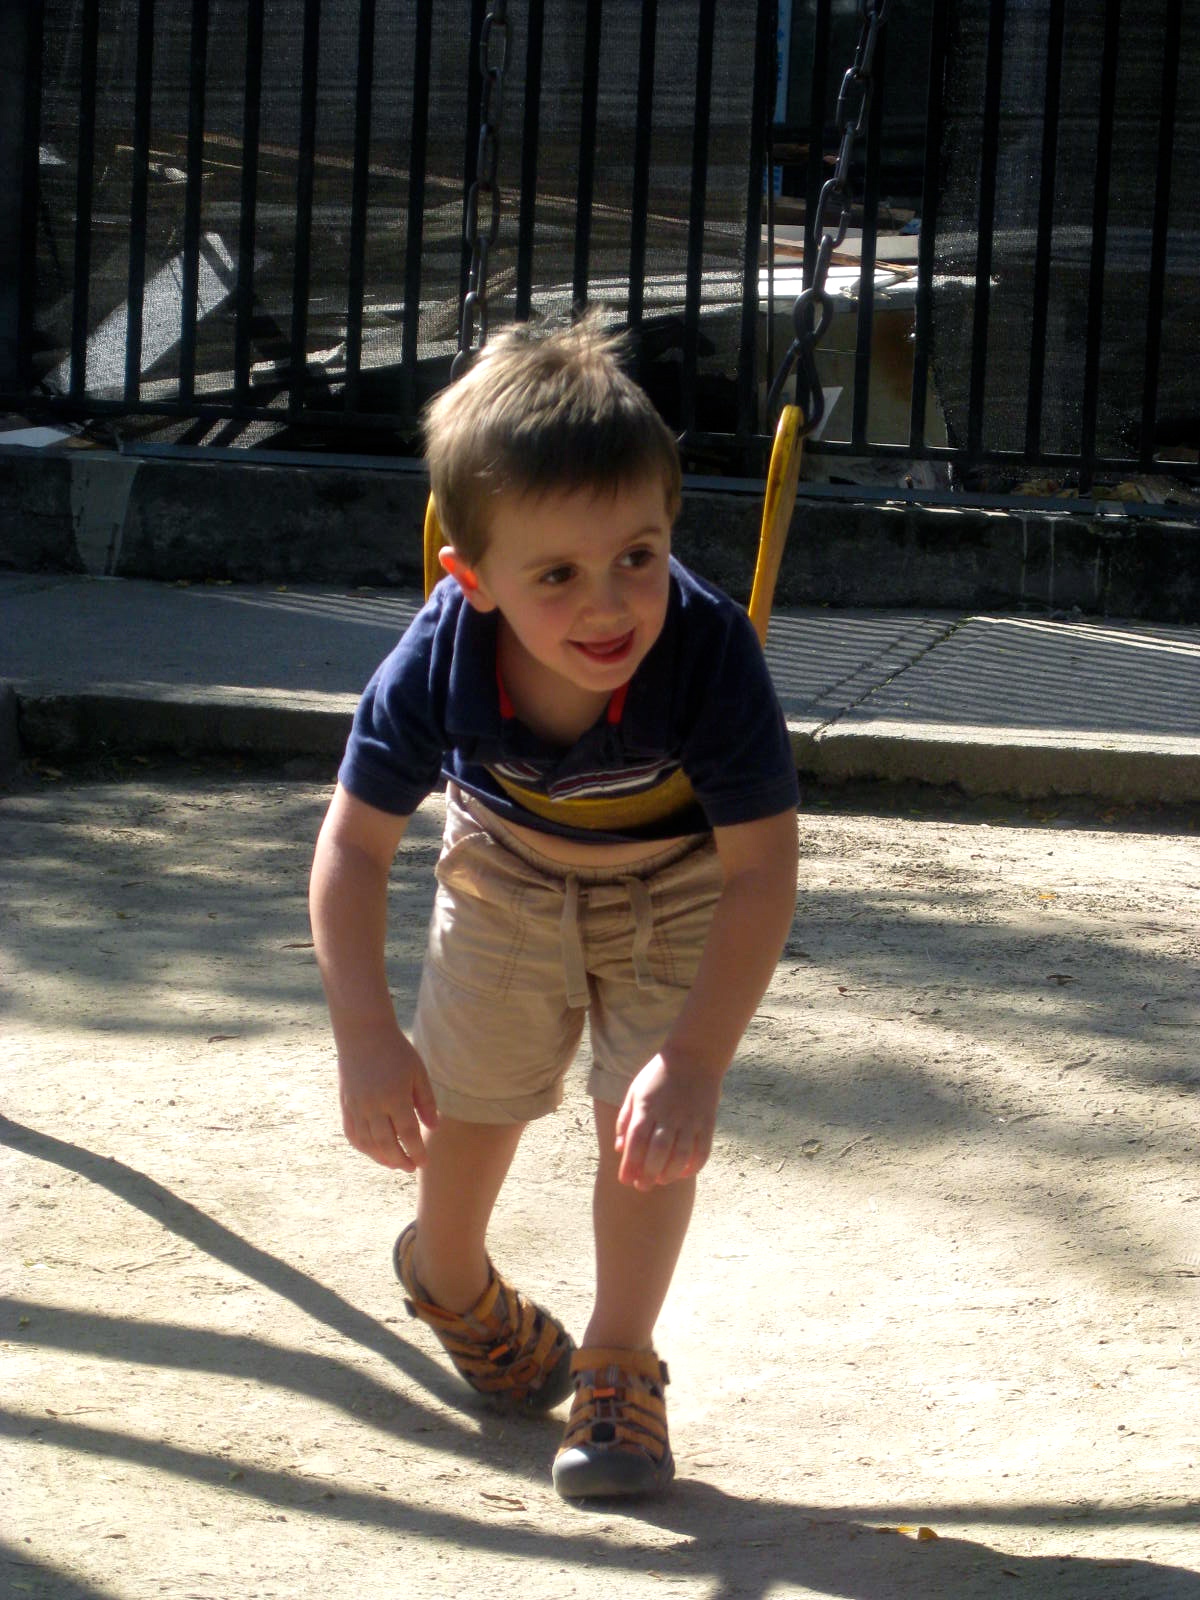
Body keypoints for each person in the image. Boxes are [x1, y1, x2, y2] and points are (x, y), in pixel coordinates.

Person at [309, 317, 799, 1501]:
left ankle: (618, 1366)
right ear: (471, 579)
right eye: (558, 576)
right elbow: (354, 847)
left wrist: (695, 1060)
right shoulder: (440, 657)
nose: (609, 604)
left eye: (637, 554)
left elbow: (760, 871)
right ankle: (449, 1278)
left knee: (649, 1130)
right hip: (507, 872)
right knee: (473, 1097)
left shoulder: (707, 652)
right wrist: (367, 1035)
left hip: (677, 881)